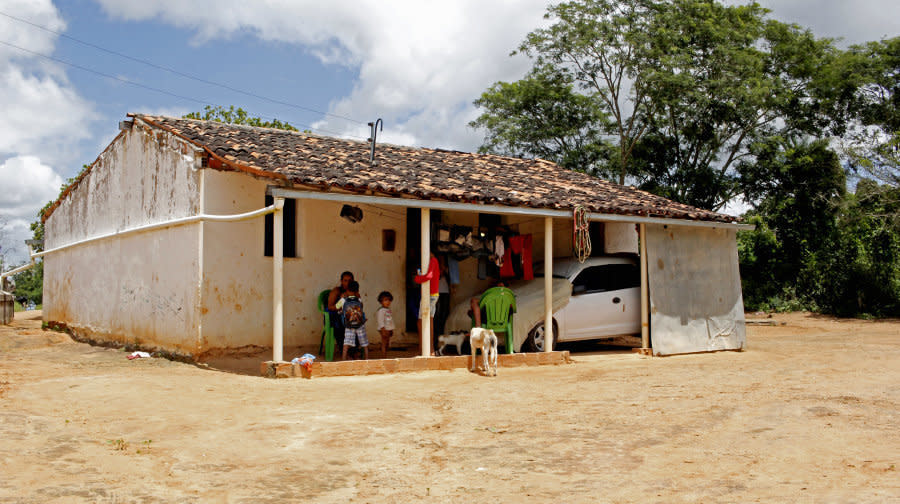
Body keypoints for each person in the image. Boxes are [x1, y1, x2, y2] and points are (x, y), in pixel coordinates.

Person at [414, 252, 440, 355]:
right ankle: (430, 349)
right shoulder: (432, 262)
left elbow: (429, 276)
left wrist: (417, 279)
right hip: (433, 295)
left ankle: (424, 349)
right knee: (429, 321)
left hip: (430, 295)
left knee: (421, 322)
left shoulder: (433, 261)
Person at [336, 280, 368, 360]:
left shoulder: (343, 300)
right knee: (364, 343)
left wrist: (341, 298)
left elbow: (337, 307)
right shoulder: (359, 300)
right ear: (357, 291)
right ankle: (367, 358)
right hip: (360, 324)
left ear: (347, 290)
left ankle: (343, 358)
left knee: (346, 343)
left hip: (349, 324)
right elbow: (362, 308)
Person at [327, 271, 354, 355]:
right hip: (334, 316)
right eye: (345, 280)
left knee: (357, 322)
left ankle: (353, 349)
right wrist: (339, 306)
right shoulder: (336, 291)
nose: (347, 283)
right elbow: (330, 307)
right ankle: (344, 350)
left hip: (348, 315)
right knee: (340, 323)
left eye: (350, 280)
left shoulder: (354, 291)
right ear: (341, 281)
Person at [375, 291, 394, 358]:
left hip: (388, 329)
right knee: (384, 343)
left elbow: (390, 320)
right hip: (384, 329)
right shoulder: (381, 310)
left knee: (387, 343)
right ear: (381, 301)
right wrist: (383, 329)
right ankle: (383, 356)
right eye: (385, 300)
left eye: (389, 300)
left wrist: (391, 329)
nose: (388, 302)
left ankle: (385, 354)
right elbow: (380, 321)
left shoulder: (388, 310)